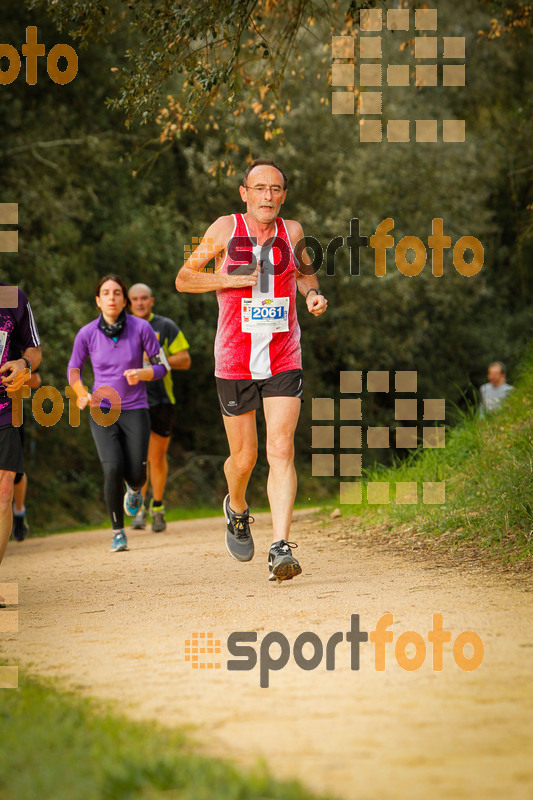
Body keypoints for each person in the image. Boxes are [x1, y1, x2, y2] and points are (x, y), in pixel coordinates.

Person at [175, 158, 328, 583]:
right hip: (235, 359)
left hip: (283, 355)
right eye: (260, 188)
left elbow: (304, 273)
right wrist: (231, 279)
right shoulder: (225, 230)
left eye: (276, 189)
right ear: (245, 193)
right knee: (244, 458)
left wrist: (313, 294)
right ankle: (237, 507)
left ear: (283, 195)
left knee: (281, 449)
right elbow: (185, 278)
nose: (269, 196)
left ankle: (280, 547)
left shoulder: (291, 232)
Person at [67, 275, 169, 552]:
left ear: (124, 300)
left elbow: (162, 366)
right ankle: (117, 532)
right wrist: (80, 392)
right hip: (102, 409)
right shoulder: (87, 333)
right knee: (112, 467)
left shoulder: (141, 328)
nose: (111, 297)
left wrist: (144, 372)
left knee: (137, 473)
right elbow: (74, 369)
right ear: (98, 301)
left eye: (116, 293)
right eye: (105, 293)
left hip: (136, 408)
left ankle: (135, 491)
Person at [128, 283, 191, 532]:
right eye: (135, 299)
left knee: (156, 457)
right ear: (128, 302)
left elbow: (185, 360)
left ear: (151, 301)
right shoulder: (120, 328)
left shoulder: (165, 326)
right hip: (131, 399)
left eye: (144, 298)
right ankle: (139, 509)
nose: (140, 303)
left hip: (161, 399)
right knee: (137, 458)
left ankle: (158, 506)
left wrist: (156, 358)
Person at [0, 282, 41, 604]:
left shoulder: (11, 296)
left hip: (4, 407)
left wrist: (23, 364)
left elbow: (34, 349)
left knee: (4, 491)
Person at [8, 346, 41, 541]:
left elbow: (36, 380)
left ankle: (19, 512)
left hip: (12, 410)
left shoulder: (16, 344)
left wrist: (13, 376)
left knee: (15, 473)